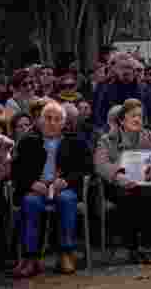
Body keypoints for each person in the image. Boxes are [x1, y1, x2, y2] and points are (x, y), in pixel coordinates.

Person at [11, 101, 91, 277]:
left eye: (57, 119)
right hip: (37, 188)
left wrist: (66, 181)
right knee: (30, 201)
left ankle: (65, 253)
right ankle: (30, 257)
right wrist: (31, 183)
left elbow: (85, 169)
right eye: (47, 118)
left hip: (62, 188)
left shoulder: (75, 142)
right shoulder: (27, 141)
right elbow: (16, 171)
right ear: (40, 121)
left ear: (63, 123)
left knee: (67, 199)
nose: (52, 123)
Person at [94, 99, 151, 264]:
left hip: (146, 184)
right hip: (119, 185)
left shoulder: (149, 136)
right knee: (136, 195)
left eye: (140, 116)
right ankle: (136, 247)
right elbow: (100, 164)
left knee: (149, 192)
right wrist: (118, 176)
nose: (137, 119)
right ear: (122, 119)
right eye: (133, 116)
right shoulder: (107, 139)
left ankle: (144, 247)